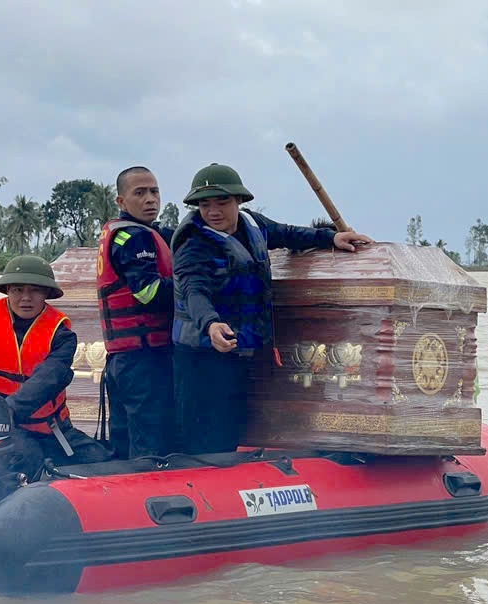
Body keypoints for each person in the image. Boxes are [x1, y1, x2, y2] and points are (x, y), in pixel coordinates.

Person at [171, 163, 373, 454]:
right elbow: (194, 290)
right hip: (202, 358)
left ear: (238, 201)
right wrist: (210, 323)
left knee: (232, 431)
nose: (213, 211)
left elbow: (286, 234)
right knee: (207, 440)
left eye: (222, 202)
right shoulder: (193, 244)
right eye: (205, 204)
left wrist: (330, 238)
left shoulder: (253, 224)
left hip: (240, 353)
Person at [0, 254, 111, 473]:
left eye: (35, 290)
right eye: (18, 290)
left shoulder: (62, 336)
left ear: (46, 293)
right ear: (8, 291)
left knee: (101, 461)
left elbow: (47, 381)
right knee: (28, 458)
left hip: (52, 428)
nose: (26, 298)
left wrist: (8, 410)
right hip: (0, 429)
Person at [96, 166, 176, 459]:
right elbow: (148, 294)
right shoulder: (135, 237)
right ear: (121, 201)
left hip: (121, 360)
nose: (150, 199)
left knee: (124, 439)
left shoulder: (119, 233)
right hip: (144, 360)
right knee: (151, 443)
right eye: (140, 193)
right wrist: (192, 283)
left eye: (154, 191)